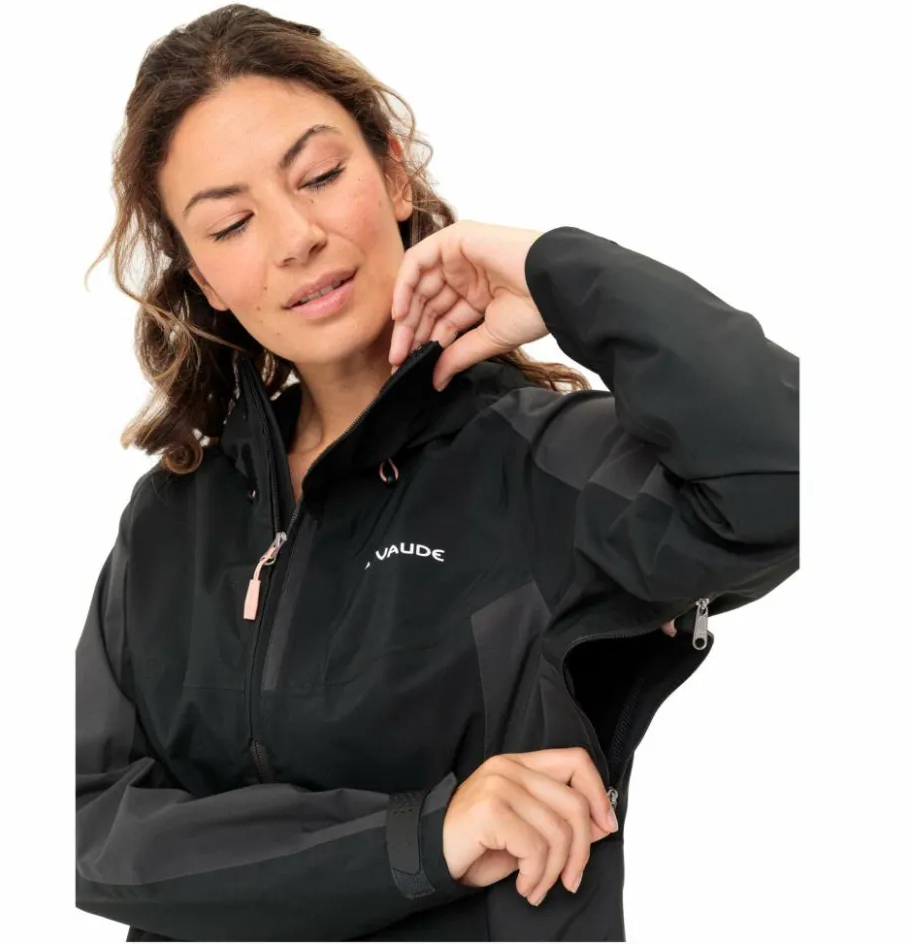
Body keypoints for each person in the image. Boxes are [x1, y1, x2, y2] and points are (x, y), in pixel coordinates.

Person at [75, 5, 800, 941]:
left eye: (321, 176)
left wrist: (557, 273)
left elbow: (796, 477)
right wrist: (424, 837)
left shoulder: (543, 466)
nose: (295, 236)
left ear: (393, 171)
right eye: (232, 223)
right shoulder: (172, 518)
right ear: (204, 278)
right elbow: (81, 827)